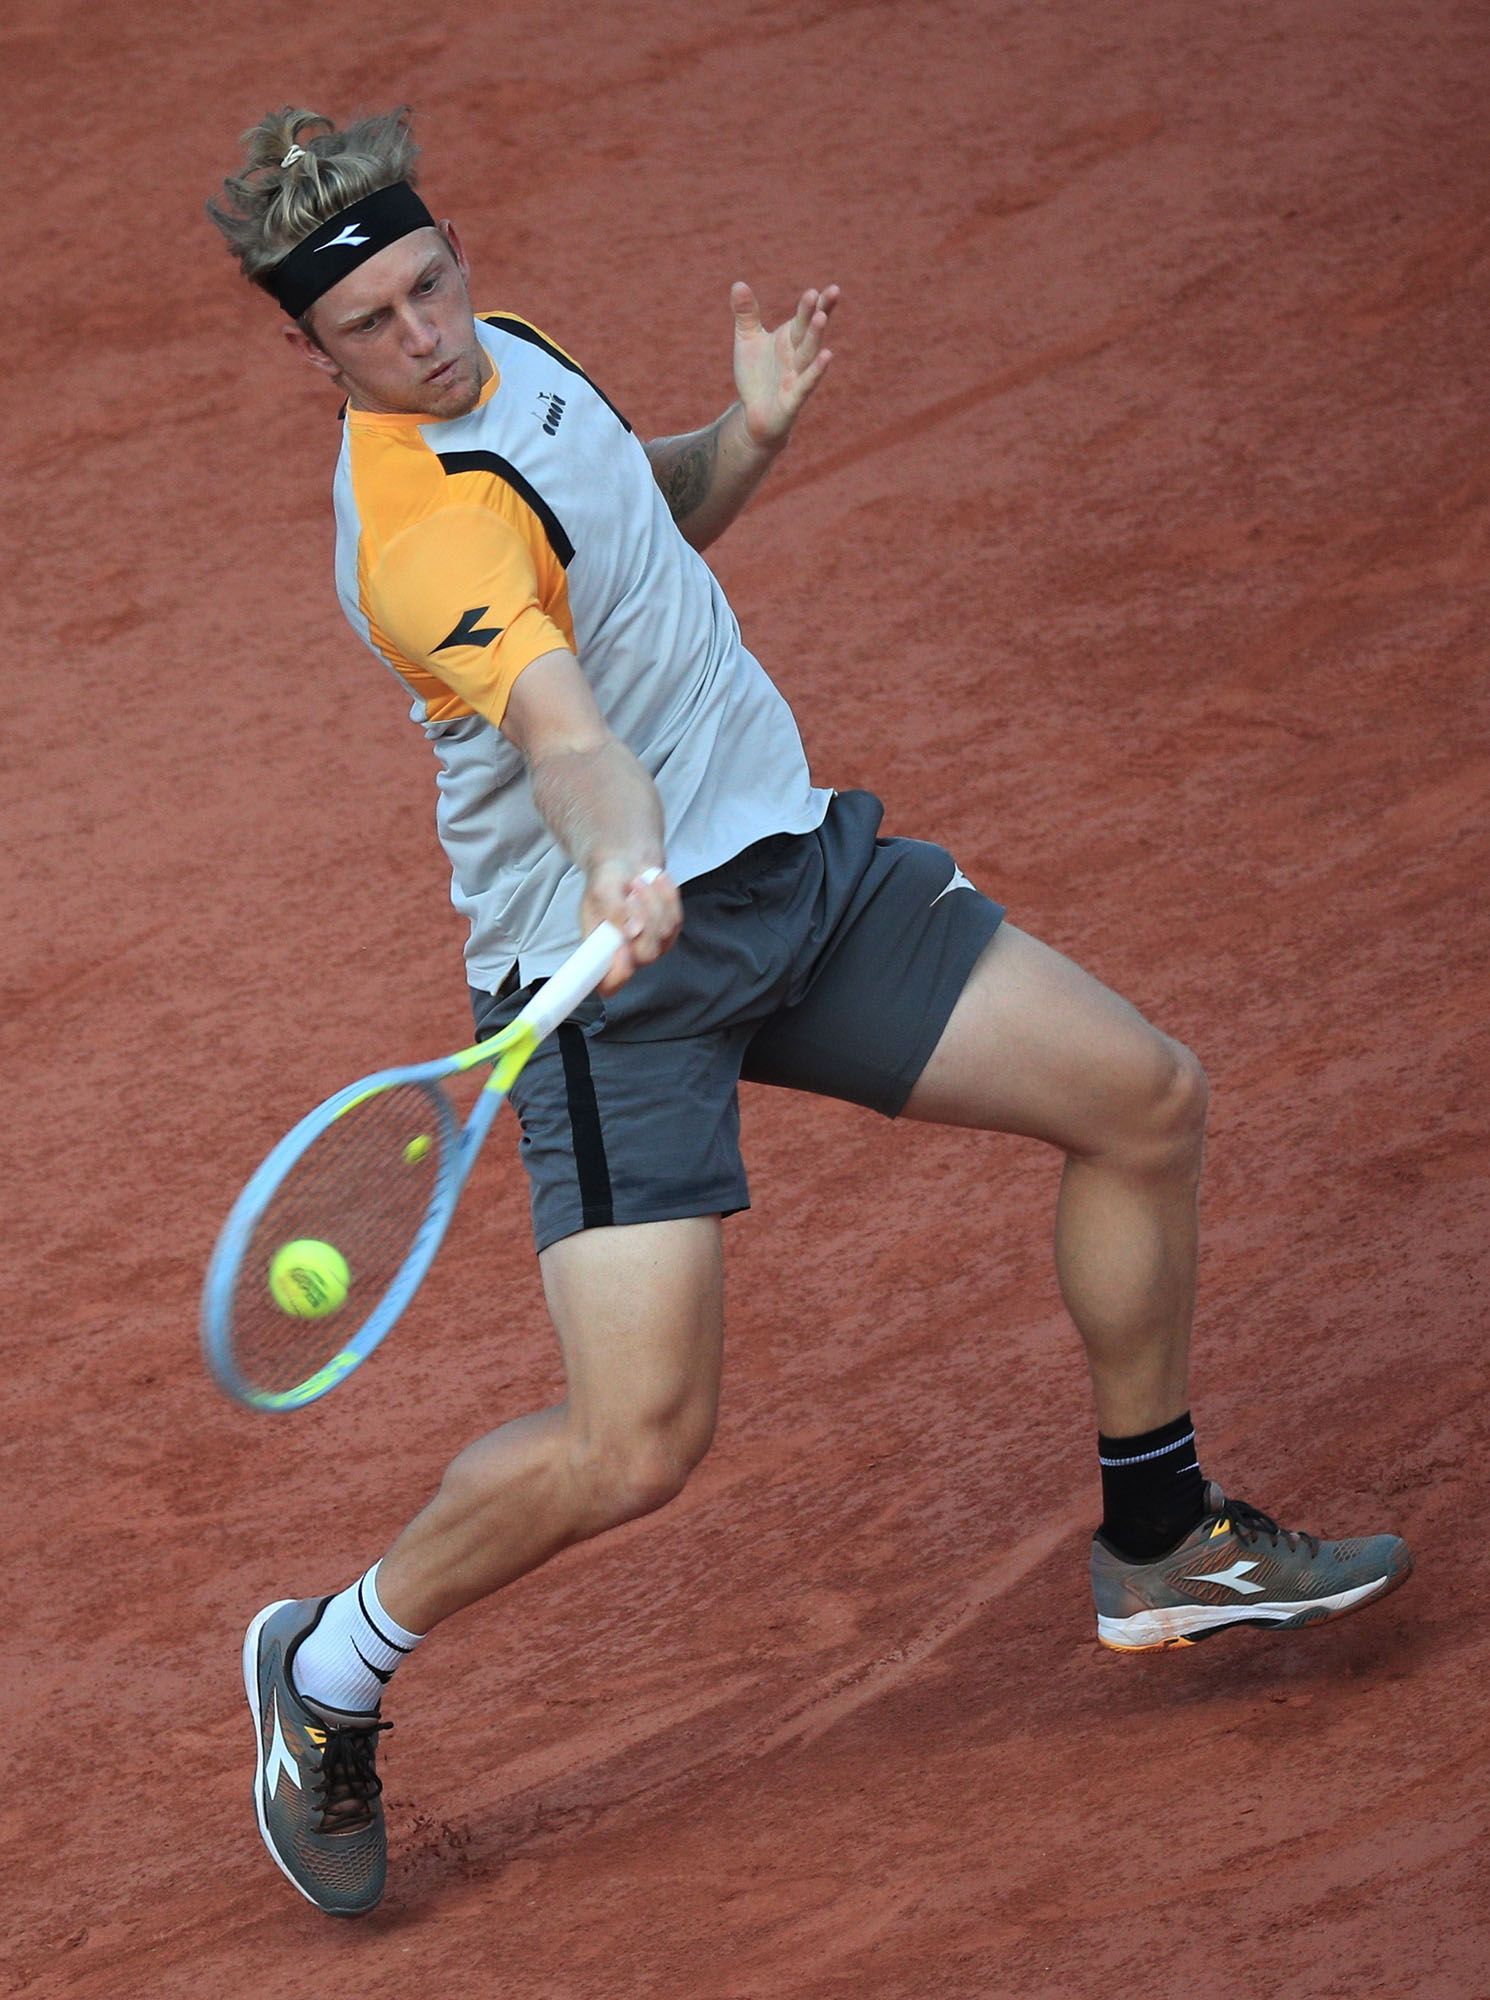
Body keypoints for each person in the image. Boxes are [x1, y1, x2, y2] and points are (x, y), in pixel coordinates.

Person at [207, 106, 1412, 1918]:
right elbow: (565, 733)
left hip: (794, 874)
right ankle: (326, 1669)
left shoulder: (516, 358)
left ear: (456, 255)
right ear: (313, 357)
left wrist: (750, 429)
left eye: (430, 282)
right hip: (614, 987)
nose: (427, 335)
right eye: (372, 325)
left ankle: (1158, 1537)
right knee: (639, 1445)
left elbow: (638, 522)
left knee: (1142, 1096)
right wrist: (619, 863)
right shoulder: (416, 540)